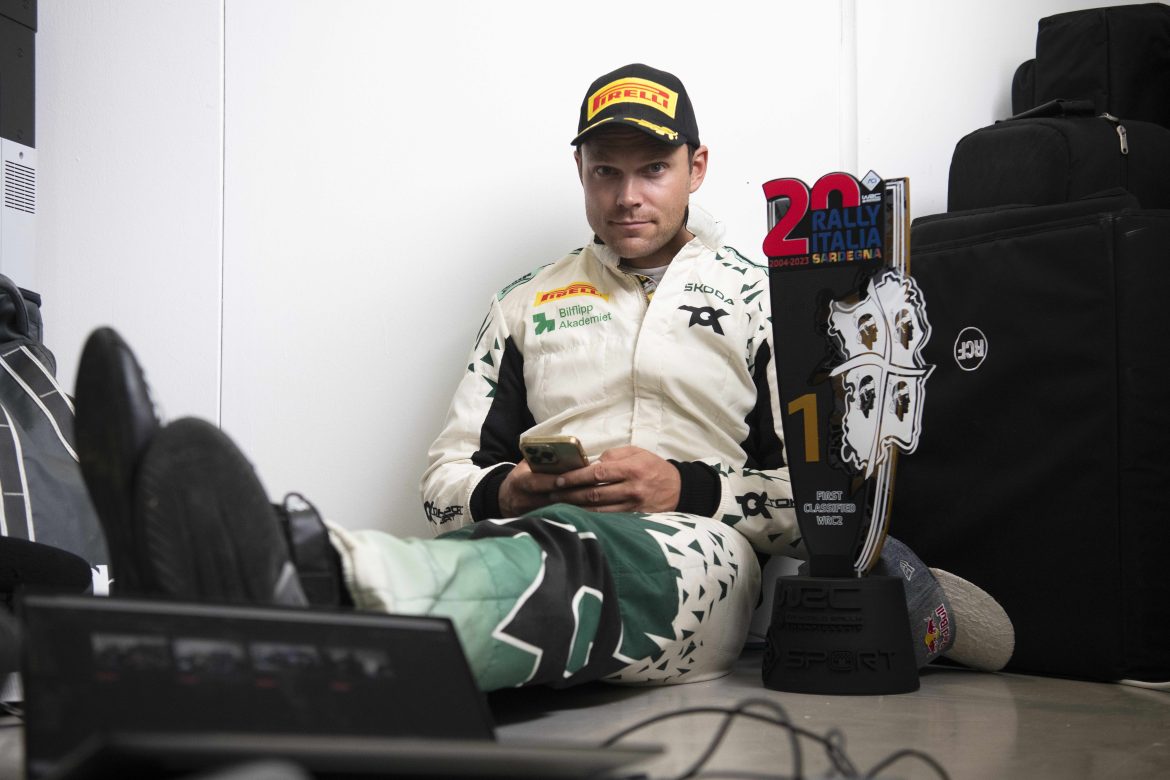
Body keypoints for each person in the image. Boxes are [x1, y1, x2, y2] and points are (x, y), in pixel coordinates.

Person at [74, 64, 1013, 694]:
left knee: (583, 564)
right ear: (580, 170)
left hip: (698, 557)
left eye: (653, 170)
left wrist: (682, 486)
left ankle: (294, 571)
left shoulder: (773, 297)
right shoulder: (527, 300)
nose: (628, 196)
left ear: (697, 168)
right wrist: (515, 488)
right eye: (605, 172)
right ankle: (272, 588)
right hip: (533, 532)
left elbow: (829, 498)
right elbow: (443, 486)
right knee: (506, 551)